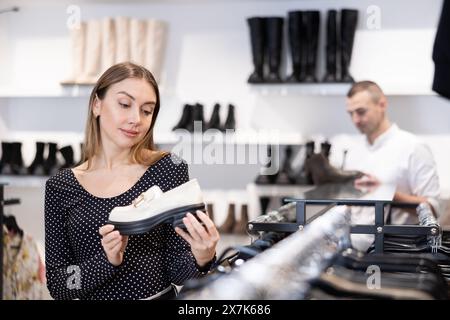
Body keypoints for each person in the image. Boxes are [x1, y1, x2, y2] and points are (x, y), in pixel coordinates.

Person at [44, 62, 219, 300]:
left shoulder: (168, 169)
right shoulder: (61, 186)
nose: (136, 119)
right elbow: (58, 284)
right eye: (125, 104)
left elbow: (180, 272)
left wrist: (203, 256)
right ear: (97, 104)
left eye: (147, 111)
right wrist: (107, 260)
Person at [331, 80, 441, 227]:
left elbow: (432, 209)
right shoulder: (353, 151)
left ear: (382, 105)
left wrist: (387, 193)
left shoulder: (414, 147)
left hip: (396, 247)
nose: (355, 120)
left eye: (361, 112)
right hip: (352, 245)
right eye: (351, 113)